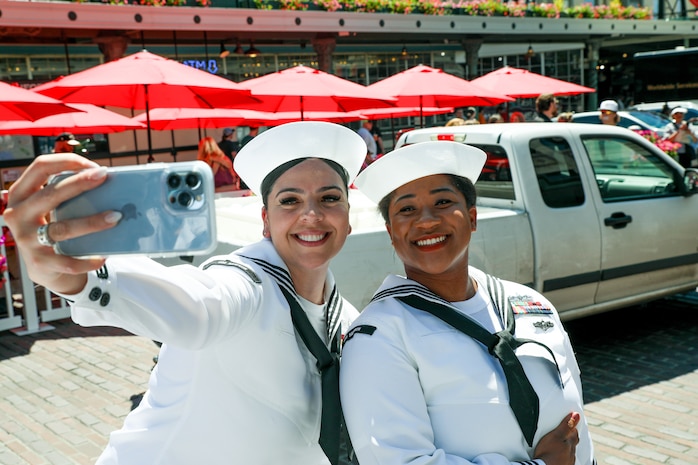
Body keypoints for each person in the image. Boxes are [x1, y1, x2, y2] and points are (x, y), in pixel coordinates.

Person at [3, 120, 367, 465]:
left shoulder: (345, 318)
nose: (312, 215)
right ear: (265, 221)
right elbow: (198, 306)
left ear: (349, 218)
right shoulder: (244, 285)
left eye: (330, 198)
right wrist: (78, 275)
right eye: (289, 201)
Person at [340, 141, 596, 465]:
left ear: (472, 218)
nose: (427, 221)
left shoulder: (530, 303)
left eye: (443, 202)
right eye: (407, 209)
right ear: (391, 233)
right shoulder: (380, 336)